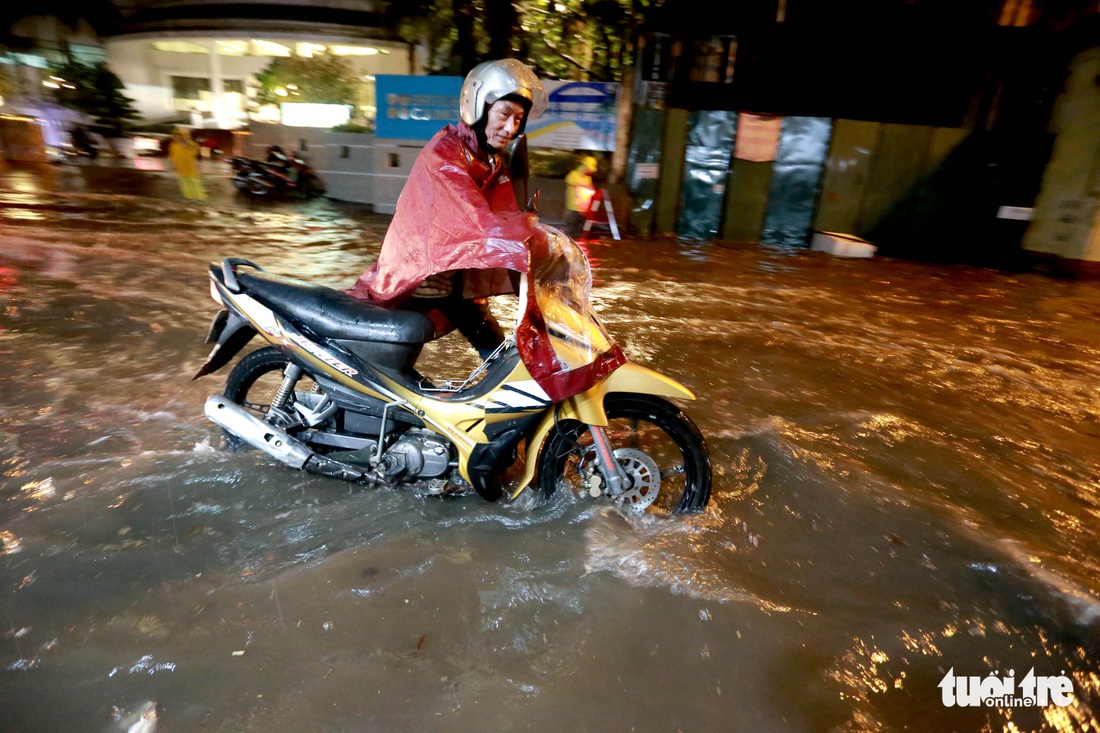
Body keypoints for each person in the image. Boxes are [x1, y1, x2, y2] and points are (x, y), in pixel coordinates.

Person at [346, 59, 549, 360]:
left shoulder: (491, 161)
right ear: (478, 107)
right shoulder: (446, 152)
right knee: (393, 357)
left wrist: (537, 237)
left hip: (454, 283)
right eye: (505, 114)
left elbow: (507, 213)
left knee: (496, 351)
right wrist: (526, 233)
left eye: (518, 120)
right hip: (417, 281)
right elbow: (478, 219)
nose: (510, 127)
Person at [563, 155, 598, 238]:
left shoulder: (588, 178)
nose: (590, 171)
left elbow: (591, 190)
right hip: (572, 209)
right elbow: (569, 181)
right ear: (584, 166)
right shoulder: (573, 175)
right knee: (569, 232)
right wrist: (584, 186)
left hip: (583, 210)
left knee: (579, 233)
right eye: (589, 169)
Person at [168, 127, 206, 202]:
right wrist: (173, 164)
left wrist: (186, 142)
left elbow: (196, 152)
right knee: (184, 183)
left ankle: (200, 198)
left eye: (180, 135)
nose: (177, 137)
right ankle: (189, 197)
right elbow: (172, 155)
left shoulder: (190, 144)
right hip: (180, 168)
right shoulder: (173, 145)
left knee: (194, 182)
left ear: (184, 136)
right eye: (175, 135)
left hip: (191, 168)